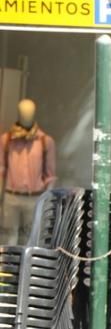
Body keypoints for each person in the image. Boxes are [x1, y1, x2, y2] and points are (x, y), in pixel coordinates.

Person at [0, 98, 57, 244]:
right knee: (7, 240)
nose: (26, 115)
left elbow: (50, 175)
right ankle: (7, 266)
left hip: (34, 198)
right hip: (11, 197)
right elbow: (2, 169)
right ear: (18, 114)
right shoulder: (6, 140)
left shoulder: (45, 141)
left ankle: (25, 267)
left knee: (30, 239)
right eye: (23, 112)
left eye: (29, 112)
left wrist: (47, 201)